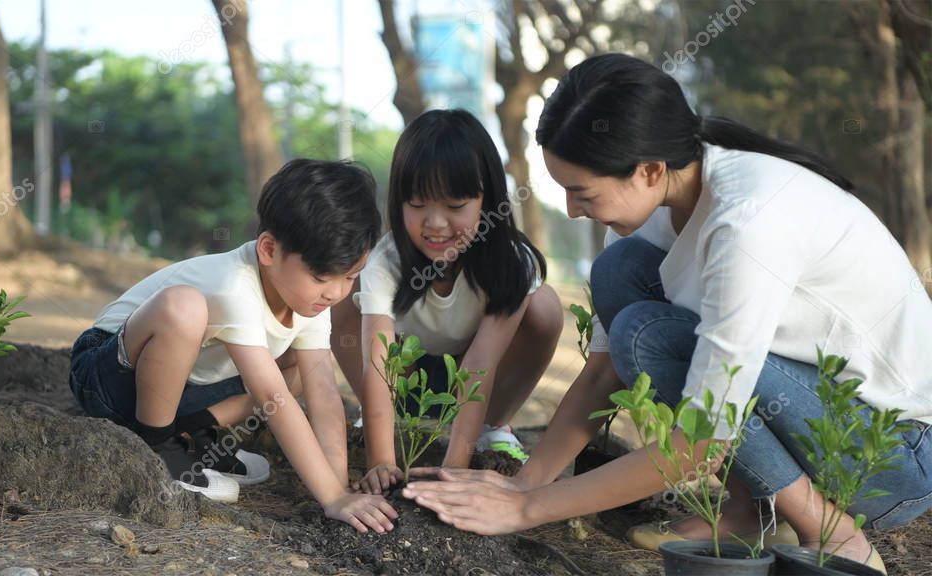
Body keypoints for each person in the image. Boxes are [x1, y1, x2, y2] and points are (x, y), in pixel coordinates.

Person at [401, 54, 932, 572]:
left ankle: (833, 531)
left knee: (648, 335)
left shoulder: (749, 224)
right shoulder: (656, 208)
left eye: (580, 191)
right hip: (815, 416)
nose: (570, 209)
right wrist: (527, 482)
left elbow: (702, 439)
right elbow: (603, 372)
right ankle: (749, 511)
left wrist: (524, 512)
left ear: (650, 169)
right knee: (618, 272)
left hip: (891, 459)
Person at [70, 159, 399, 533]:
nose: (337, 292)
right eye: (323, 276)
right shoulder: (233, 284)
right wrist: (331, 498)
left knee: (301, 371)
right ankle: (160, 448)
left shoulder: (311, 299)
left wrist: (338, 487)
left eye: (351, 277)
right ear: (269, 250)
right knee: (185, 308)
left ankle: (189, 431)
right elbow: (270, 393)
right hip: (108, 374)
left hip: (178, 391)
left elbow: (323, 393)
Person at [331, 109, 564, 495]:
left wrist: (454, 467)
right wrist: (381, 461)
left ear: (487, 200)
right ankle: (382, 422)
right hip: (405, 372)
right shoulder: (385, 261)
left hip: (471, 372)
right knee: (341, 298)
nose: (435, 224)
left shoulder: (512, 264)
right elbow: (379, 360)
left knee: (545, 308)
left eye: (455, 207)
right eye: (417, 204)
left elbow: (479, 366)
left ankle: (493, 427)